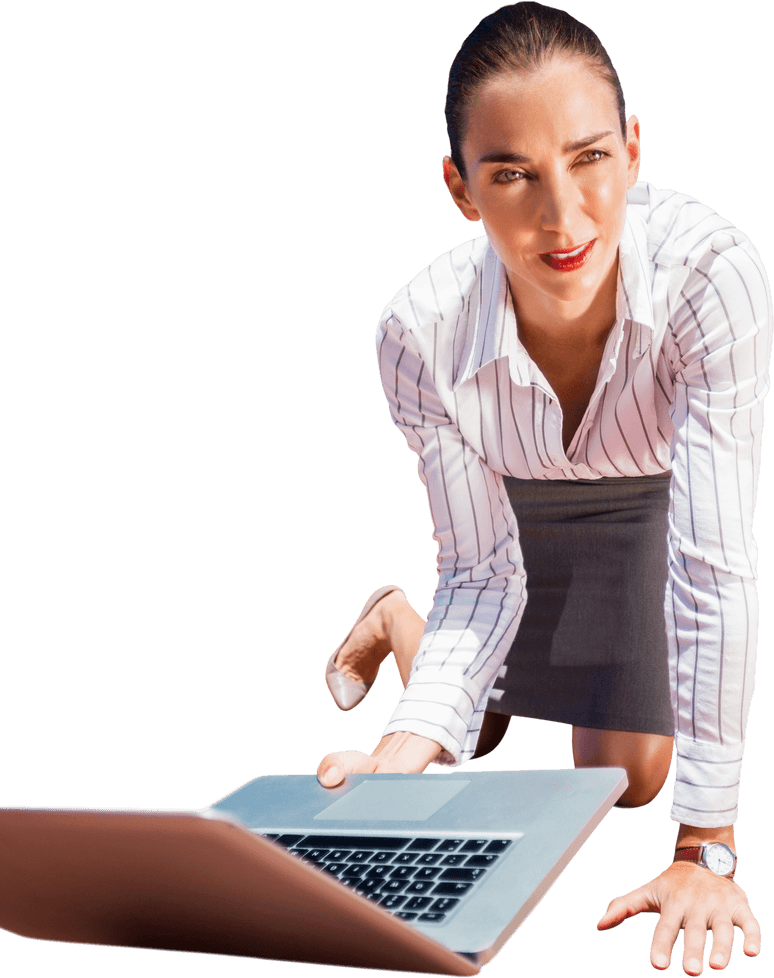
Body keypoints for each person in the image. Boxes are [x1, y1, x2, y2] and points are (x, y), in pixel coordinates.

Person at [316, 3, 769, 974]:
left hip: (645, 503)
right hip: (514, 511)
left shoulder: (714, 277)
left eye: (589, 157)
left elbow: (714, 563)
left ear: (634, 150)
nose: (563, 217)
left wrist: (706, 848)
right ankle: (402, 617)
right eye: (512, 174)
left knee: (630, 778)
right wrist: (399, 758)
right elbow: (481, 568)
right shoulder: (417, 336)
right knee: (463, 732)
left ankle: (415, 634)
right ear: (460, 187)